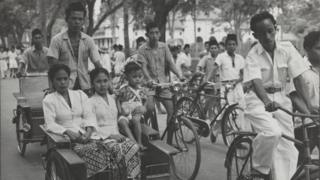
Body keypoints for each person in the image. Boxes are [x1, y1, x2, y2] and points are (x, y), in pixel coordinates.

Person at [243, 11, 309, 180]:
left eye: (270, 30)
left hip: (281, 100)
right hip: (258, 101)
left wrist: (309, 108)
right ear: (254, 35)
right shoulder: (252, 54)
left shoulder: (287, 49)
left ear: (276, 29)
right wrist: (266, 101)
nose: (267, 36)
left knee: (288, 148)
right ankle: (258, 169)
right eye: (261, 33)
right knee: (272, 133)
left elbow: (298, 78)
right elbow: (256, 81)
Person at [89, 67, 141, 179]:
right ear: (92, 84)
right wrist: (110, 135)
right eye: (98, 81)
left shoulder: (114, 98)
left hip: (118, 135)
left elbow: (123, 114)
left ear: (109, 82)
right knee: (118, 150)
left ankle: (133, 177)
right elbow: (91, 126)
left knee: (133, 147)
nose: (102, 85)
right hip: (101, 138)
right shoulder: (90, 102)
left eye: (105, 81)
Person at [47, 2, 102, 93]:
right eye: (74, 18)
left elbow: (98, 65)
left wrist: (108, 86)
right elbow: (52, 69)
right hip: (64, 88)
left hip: (85, 87)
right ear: (67, 19)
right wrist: (52, 90)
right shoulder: (57, 40)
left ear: (83, 21)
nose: (77, 22)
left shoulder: (88, 41)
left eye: (80, 19)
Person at [138, 22, 184, 124]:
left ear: (159, 34)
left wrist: (179, 75)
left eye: (156, 33)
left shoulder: (164, 47)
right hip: (149, 85)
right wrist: (149, 79)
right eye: (151, 33)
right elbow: (143, 67)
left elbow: (170, 63)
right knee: (149, 109)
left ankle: (169, 139)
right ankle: (144, 125)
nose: (154, 35)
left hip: (163, 84)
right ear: (147, 35)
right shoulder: (142, 49)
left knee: (172, 112)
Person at [116, 61, 149, 150]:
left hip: (136, 114)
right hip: (125, 113)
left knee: (135, 121)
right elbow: (118, 100)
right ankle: (133, 142)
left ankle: (139, 142)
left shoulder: (142, 90)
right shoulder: (123, 89)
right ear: (127, 77)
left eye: (140, 76)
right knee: (122, 123)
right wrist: (120, 111)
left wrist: (144, 107)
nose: (137, 79)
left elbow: (145, 100)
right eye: (134, 77)